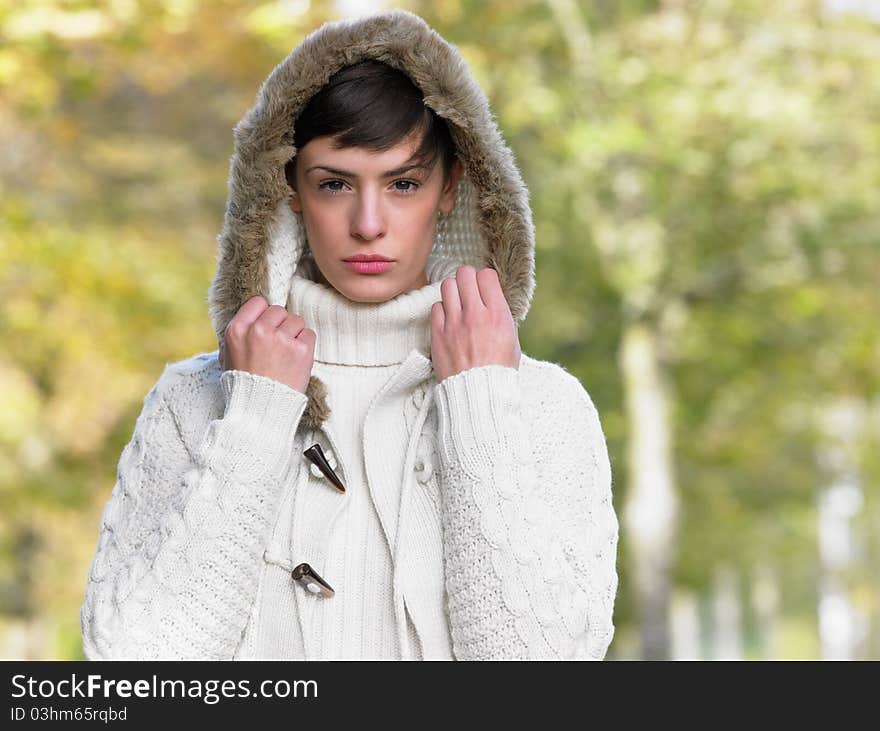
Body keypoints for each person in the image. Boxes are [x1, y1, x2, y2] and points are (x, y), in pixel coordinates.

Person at [80, 8, 619, 660]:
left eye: (403, 183)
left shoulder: (541, 405)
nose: (369, 223)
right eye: (334, 184)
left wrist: (479, 404)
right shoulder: (195, 398)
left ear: (450, 187)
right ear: (289, 189)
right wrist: (255, 418)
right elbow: (138, 671)